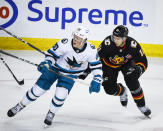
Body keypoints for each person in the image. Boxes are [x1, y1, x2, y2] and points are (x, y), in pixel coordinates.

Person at [7, 26, 103, 125]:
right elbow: (51, 55)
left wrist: (97, 79)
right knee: (37, 90)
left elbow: (96, 67)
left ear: (85, 40)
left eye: (79, 38)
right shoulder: (64, 43)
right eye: (75, 36)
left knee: (61, 95)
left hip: (70, 75)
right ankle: (19, 106)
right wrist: (47, 63)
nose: (75, 40)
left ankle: (51, 112)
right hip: (54, 69)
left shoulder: (91, 50)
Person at [79, 25, 151, 117]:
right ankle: (122, 91)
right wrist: (86, 70)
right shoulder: (107, 43)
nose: (114, 40)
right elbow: (95, 58)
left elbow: (143, 61)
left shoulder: (133, 45)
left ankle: (142, 105)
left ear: (124, 38)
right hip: (108, 66)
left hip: (126, 64)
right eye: (114, 37)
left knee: (132, 79)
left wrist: (139, 69)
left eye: (117, 38)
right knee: (109, 89)